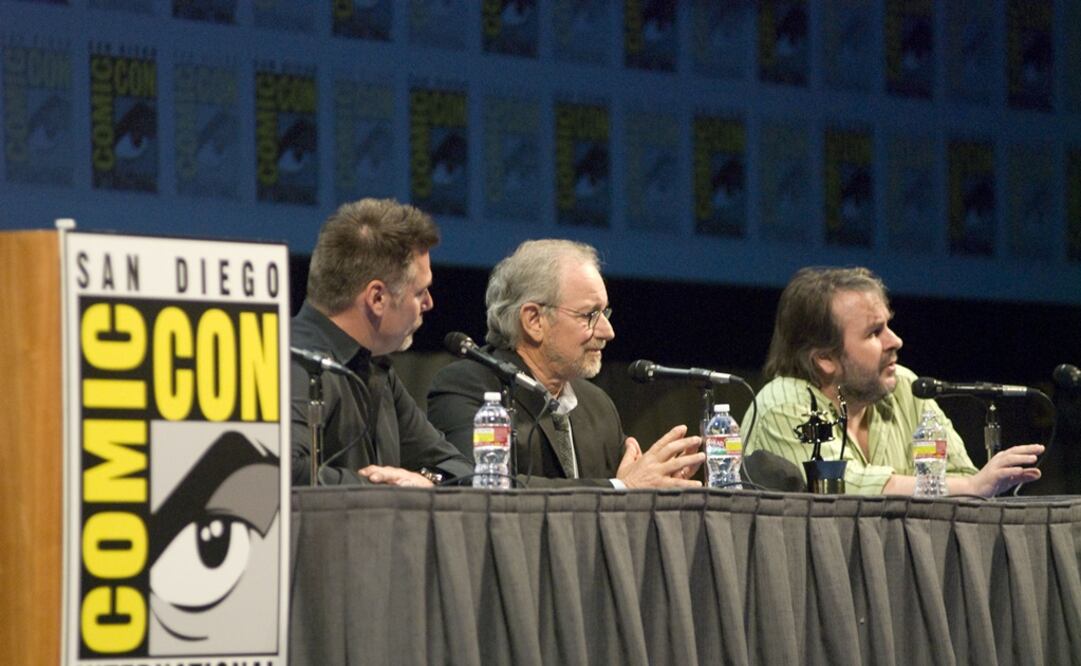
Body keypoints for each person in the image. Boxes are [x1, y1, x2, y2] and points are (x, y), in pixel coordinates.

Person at [427, 239, 704, 488]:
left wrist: (654, 490)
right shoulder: (467, 387)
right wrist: (620, 488)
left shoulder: (598, 405)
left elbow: (623, 497)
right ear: (534, 320)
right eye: (589, 315)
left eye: (604, 312)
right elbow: (476, 484)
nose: (608, 332)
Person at [742, 266, 1042, 496]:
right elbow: (843, 487)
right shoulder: (781, 404)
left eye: (889, 325)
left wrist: (971, 484)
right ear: (825, 359)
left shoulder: (905, 388)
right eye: (874, 332)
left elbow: (960, 473)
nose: (895, 340)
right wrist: (969, 485)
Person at [290, 198, 472, 486]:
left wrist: (427, 481)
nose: (429, 303)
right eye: (420, 293)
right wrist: (384, 489)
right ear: (377, 298)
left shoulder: (376, 367)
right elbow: (280, 471)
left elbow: (458, 466)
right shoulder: (291, 361)